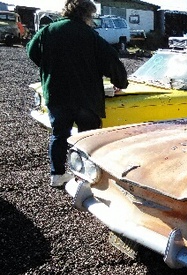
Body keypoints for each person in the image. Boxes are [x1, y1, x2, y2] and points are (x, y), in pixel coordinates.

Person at [26, 0, 128, 187]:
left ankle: (57, 175)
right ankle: (85, 177)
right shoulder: (90, 35)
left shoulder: (49, 30)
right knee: (87, 137)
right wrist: (120, 82)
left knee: (59, 135)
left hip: (57, 94)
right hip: (86, 96)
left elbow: (31, 51)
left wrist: (48, 66)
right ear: (86, 14)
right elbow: (111, 60)